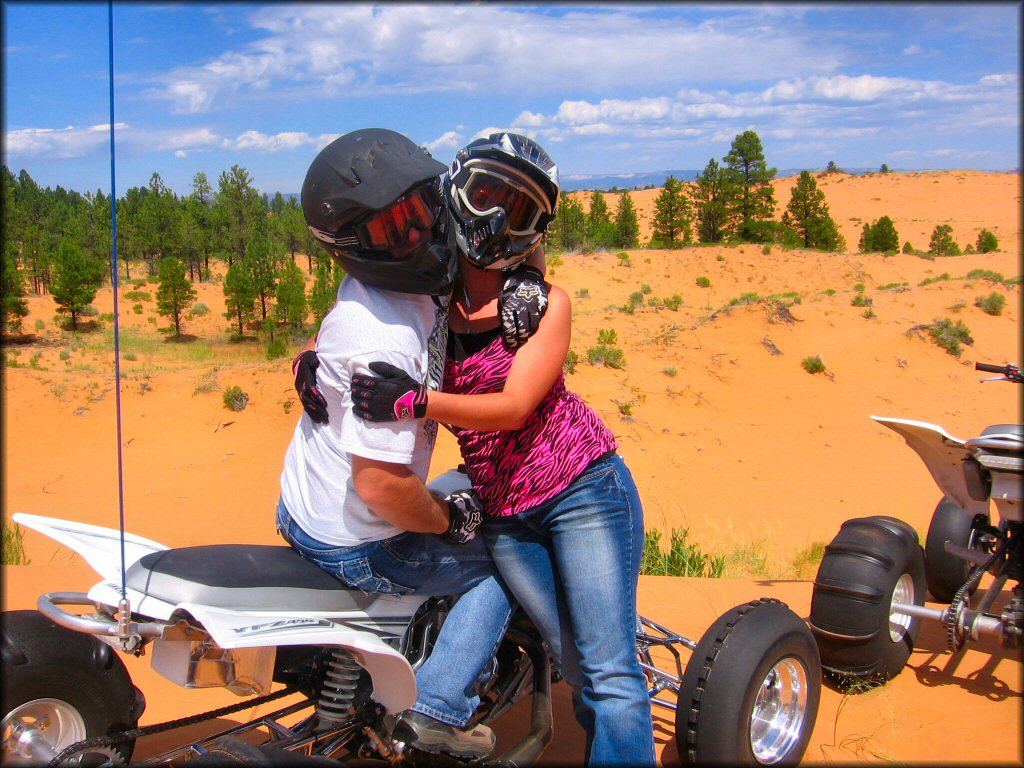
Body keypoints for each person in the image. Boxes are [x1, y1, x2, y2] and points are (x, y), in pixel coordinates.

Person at [348, 133, 657, 767]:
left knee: (608, 672)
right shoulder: (431, 300)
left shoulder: (547, 307)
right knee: (572, 655)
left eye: (517, 209)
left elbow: (515, 406)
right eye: (484, 193)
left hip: (584, 493)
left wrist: (417, 402)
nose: (494, 216)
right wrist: (313, 368)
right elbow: (362, 321)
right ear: (457, 191)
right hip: (508, 516)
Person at [278, 127, 525, 760]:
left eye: (421, 208)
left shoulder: (388, 295)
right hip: (362, 536)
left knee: (458, 497)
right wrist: (449, 521)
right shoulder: (384, 337)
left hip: (305, 508)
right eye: (395, 230)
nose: (418, 233)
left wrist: (313, 358)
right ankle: (439, 710)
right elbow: (383, 488)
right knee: (501, 568)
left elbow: (508, 241)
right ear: (353, 247)